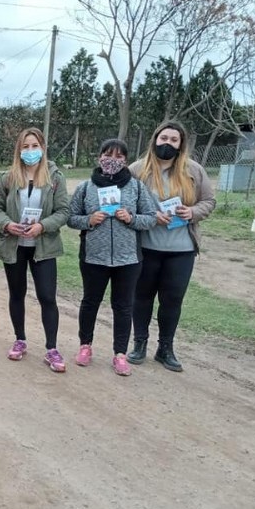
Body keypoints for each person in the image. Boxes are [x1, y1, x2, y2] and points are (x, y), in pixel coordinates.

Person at [127, 120, 216, 371]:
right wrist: (150, 217)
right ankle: (139, 344)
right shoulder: (137, 170)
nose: (167, 143)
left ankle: (165, 348)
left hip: (181, 249)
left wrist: (192, 211)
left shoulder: (194, 171)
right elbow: (125, 206)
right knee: (141, 297)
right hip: (145, 247)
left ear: (181, 144)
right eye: (163, 138)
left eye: (173, 140)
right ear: (155, 139)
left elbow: (209, 201)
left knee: (172, 299)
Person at [67, 139, 156, 376]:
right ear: (99, 158)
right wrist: (89, 220)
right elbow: (70, 217)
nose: (112, 160)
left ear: (125, 161)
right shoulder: (86, 187)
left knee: (123, 306)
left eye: (118, 156)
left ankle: (120, 354)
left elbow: (151, 218)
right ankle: (85, 346)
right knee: (90, 302)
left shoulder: (136, 187)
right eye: (108, 154)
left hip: (128, 259)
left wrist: (131, 218)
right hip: (94, 257)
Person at [0, 127, 70, 370]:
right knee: (17, 294)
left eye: (34, 146)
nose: (30, 151)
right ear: (19, 150)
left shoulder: (55, 178)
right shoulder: (8, 177)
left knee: (47, 296)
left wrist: (42, 226)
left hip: (43, 247)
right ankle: (20, 340)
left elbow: (64, 211)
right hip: (14, 246)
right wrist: (7, 224)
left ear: (43, 148)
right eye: (25, 147)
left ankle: (52, 349)